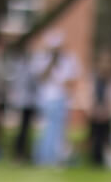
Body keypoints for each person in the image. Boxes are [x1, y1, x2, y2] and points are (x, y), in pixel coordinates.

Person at [32, 32, 78, 166]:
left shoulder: (68, 61)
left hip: (61, 99)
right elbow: (40, 78)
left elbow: (71, 81)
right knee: (45, 129)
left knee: (58, 130)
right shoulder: (42, 59)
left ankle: (54, 157)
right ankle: (42, 157)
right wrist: (51, 64)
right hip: (46, 100)